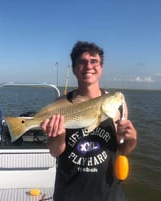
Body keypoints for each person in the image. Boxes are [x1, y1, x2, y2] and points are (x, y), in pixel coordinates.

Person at [41, 41, 137, 201]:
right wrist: (58, 137)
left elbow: (124, 150)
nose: (89, 66)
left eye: (94, 62)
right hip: (69, 193)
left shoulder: (118, 105)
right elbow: (55, 152)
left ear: (101, 68)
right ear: (74, 69)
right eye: (82, 62)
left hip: (109, 195)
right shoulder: (61, 104)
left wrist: (131, 140)